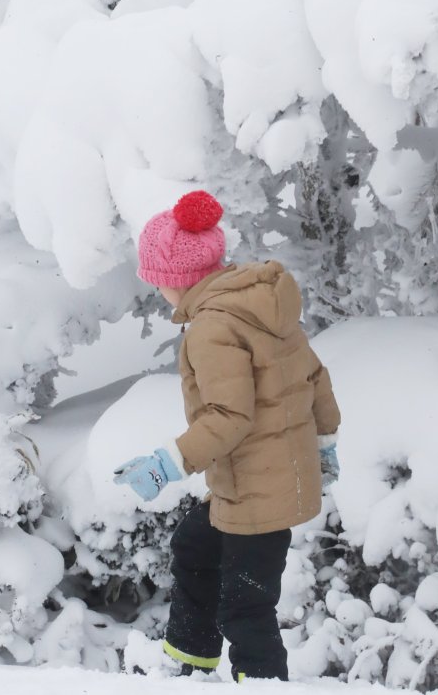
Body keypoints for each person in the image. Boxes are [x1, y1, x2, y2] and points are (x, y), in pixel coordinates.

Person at [114, 190, 341, 683]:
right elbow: (314, 376)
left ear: (177, 280)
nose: (160, 293)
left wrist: (165, 465)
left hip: (258, 492)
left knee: (247, 607)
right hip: (263, 479)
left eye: (159, 283)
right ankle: (190, 659)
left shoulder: (212, 328)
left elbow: (228, 416)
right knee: (195, 545)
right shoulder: (260, 305)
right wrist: (325, 445)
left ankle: (262, 684)